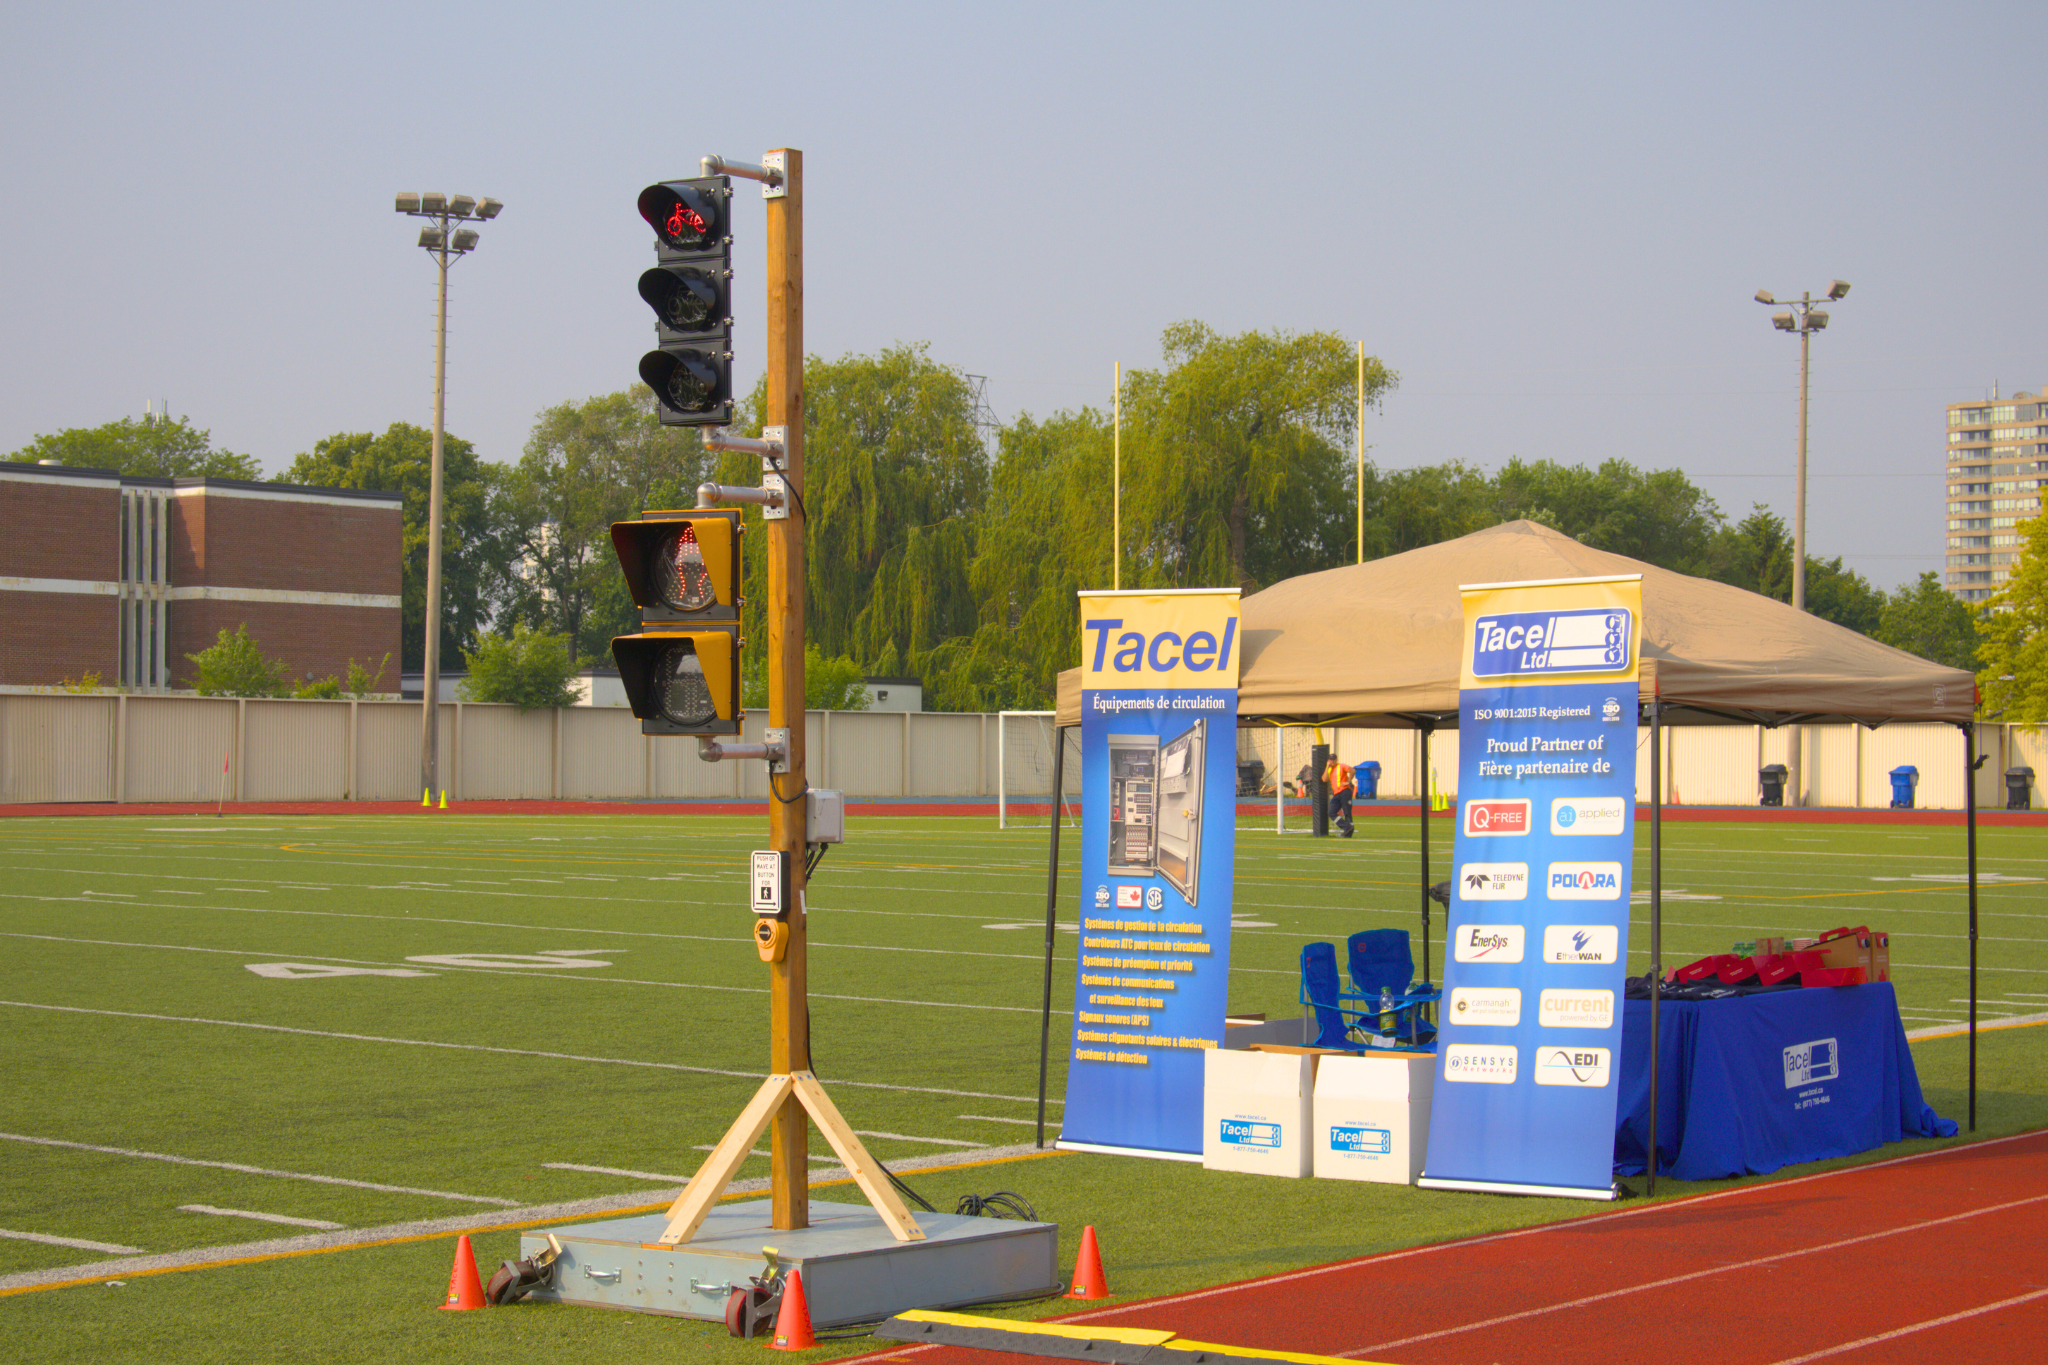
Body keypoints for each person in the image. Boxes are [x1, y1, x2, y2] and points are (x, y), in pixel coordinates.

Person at [1323, 756, 1354, 837]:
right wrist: (1327, 767)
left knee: (1346, 811)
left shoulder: (1341, 766)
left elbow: (1353, 770)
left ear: (1336, 760)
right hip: (1336, 794)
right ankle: (1347, 827)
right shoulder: (1329, 769)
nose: (1332, 761)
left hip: (1345, 791)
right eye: (1330, 759)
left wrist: (1348, 781)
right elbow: (1324, 779)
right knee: (1331, 812)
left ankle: (1348, 833)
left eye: (1333, 759)